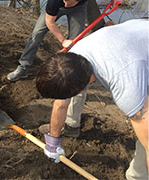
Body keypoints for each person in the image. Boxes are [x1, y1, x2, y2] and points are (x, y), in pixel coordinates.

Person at [35, 19, 149, 179]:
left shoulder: (126, 87)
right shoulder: (71, 61)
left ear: (80, 91)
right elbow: (61, 105)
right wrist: (53, 141)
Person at [7, 0, 122, 81]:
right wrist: (62, 40)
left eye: (69, 3)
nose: (66, 5)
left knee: (75, 42)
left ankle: (65, 74)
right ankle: (23, 68)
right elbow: (49, 21)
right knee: (37, 33)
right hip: (56, 9)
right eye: (65, 1)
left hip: (79, 8)